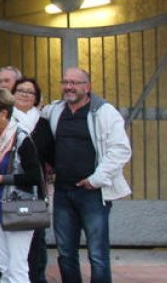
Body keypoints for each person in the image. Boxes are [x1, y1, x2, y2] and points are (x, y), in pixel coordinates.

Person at [41, 67, 131, 283]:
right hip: (62, 192)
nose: (68, 87)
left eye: (74, 83)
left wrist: (96, 179)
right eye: (65, 82)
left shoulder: (105, 112)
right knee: (65, 253)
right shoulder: (54, 111)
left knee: (98, 254)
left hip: (93, 193)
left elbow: (120, 149)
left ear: (87, 87)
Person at [0, 88, 44, 283]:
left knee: (17, 268)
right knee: (4, 267)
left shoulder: (21, 138)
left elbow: (34, 177)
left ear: (3, 113)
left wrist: (2, 179)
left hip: (19, 209)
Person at [9, 76, 54, 283]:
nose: (25, 95)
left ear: (36, 98)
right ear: (12, 94)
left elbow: (52, 155)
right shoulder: (5, 119)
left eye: (30, 92)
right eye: (20, 90)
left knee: (36, 242)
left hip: (34, 189)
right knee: (7, 242)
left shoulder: (43, 124)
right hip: (7, 188)